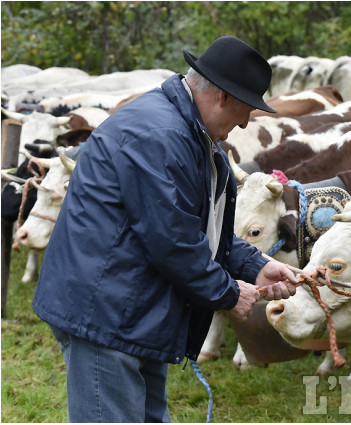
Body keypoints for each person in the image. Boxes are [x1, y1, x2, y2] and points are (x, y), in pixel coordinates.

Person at [32, 35, 298, 423]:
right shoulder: (157, 135)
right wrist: (225, 292)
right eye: (246, 110)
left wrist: (252, 264)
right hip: (104, 313)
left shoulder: (191, 135)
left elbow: (201, 224)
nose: (244, 122)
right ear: (223, 97)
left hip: (133, 306)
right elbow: (170, 238)